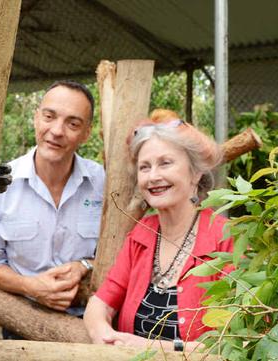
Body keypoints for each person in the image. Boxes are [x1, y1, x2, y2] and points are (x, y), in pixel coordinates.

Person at [83, 109, 233, 352]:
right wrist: (103, 334)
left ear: (195, 173)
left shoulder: (226, 239)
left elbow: (240, 340)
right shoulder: (141, 235)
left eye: (165, 163)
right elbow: (100, 303)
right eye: (145, 167)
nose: (153, 176)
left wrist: (151, 348)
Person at [0, 81, 104, 336]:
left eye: (73, 123)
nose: (57, 131)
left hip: (89, 322)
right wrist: (31, 287)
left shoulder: (103, 183)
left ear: (86, 133)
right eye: (49, 116)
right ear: (36, 118)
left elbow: (121, 252)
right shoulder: (0, 184)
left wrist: (85, 265)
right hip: (22, 321)